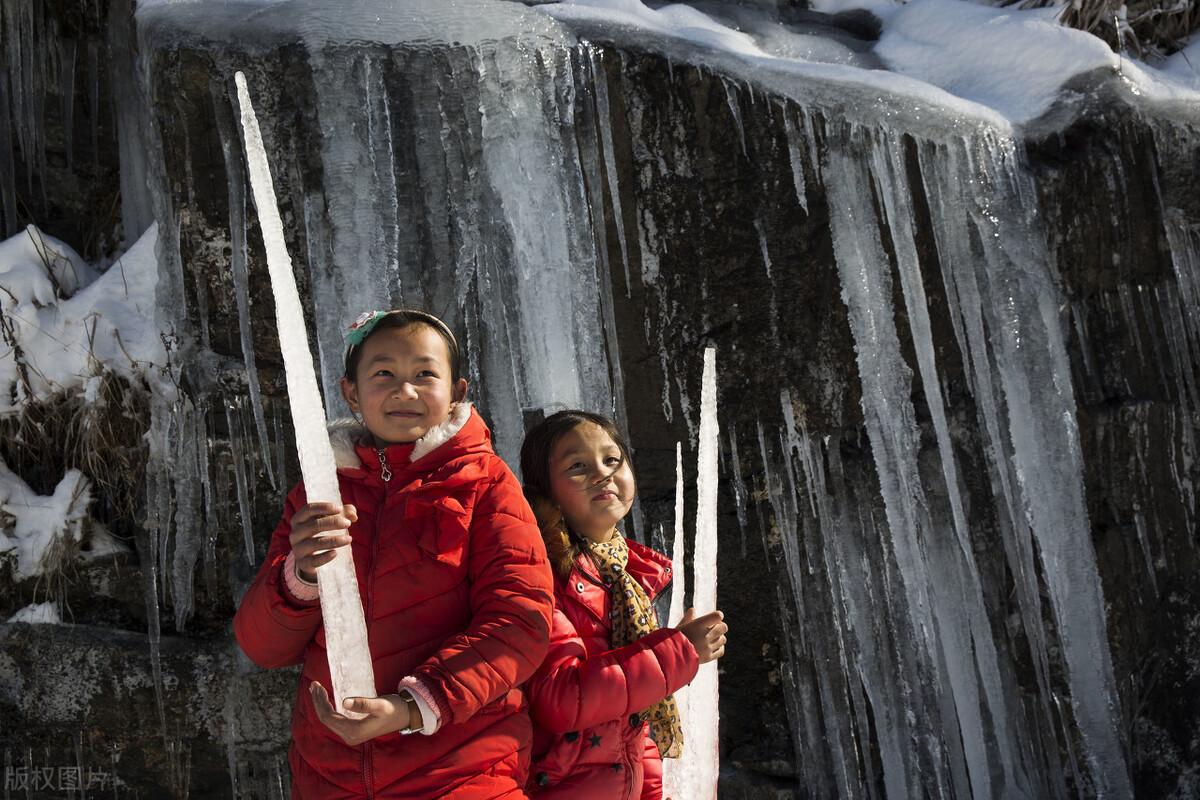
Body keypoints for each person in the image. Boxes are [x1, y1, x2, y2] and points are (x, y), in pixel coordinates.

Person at [233, 309, 554, 798]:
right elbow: (263, 647)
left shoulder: (487, 485)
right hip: (330, 773)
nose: (405, 392)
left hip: (462, 767)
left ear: (457, 393)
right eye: (384, 374)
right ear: (351, 393)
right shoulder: (318, 493)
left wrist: (412, 707)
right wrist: (299, 577)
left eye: (425, 374)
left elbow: (520, 622)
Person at [518, 410, 728, 799]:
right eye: (578, 466)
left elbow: (633, 728)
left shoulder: (623, 577)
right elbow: (561, 698)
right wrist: (677, 651)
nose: (602, 473)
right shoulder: (541, 575)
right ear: (544, 492)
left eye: (612, 460)